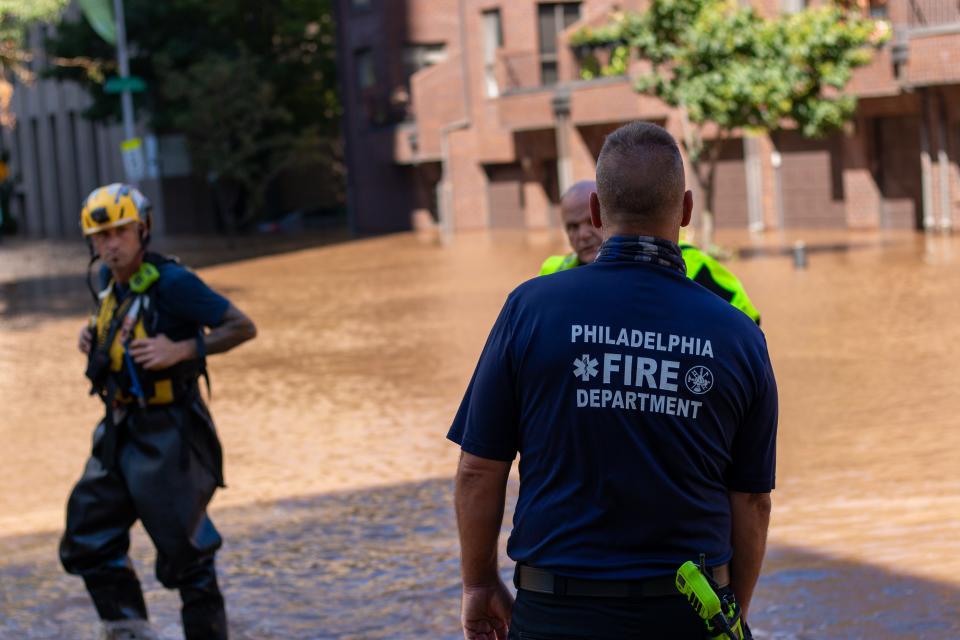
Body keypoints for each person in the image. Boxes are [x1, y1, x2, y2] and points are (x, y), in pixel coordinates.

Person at [448, 122, 777, 640]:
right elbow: (753, 501)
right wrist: (731, 612)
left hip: (555, 613)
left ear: (597, 213)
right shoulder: (738, 333)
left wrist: (478, 584)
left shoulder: (530, 308)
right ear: (686, 211)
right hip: (688, 616)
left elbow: (477, 470)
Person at [59, 184, 257, 640]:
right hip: (118, 430)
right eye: (100, 235)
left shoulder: (173, 282)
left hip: (172, 433)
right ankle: (129, 631)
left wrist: (182, 348)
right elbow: (121, 336)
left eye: (120, 232)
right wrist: (92, 340)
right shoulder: (111, 283)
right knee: (87, 535)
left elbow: (242, 325)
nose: (110, 244)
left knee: (187, 555)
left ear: (142, 230)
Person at [540, 181, 761, 325]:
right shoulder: (553, 273)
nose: (583, 234)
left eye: (590, 222)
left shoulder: (690, 263)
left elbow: (747, 323)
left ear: (607, 215)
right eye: (572, 227)